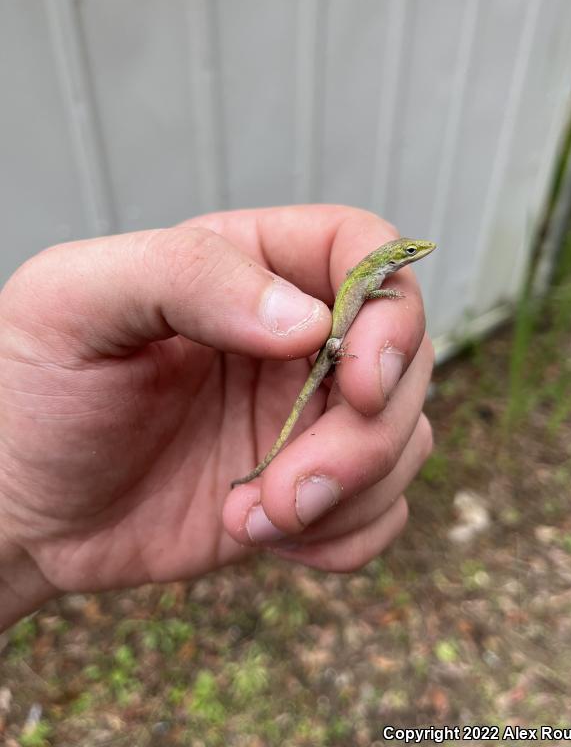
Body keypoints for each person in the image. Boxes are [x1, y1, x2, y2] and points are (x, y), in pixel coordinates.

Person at [0, 205, 434, 632]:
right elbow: (367, 291)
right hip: (331, 345)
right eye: (412, 251)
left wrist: (25, 537)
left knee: (343, 402)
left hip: (322, 352)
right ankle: (278, 446)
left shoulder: (372, 271)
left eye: (413, 251)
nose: (419, 253)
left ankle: (269, 461)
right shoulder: (372, 275)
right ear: (395, 257)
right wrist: (19, 524)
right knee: (342, 380)